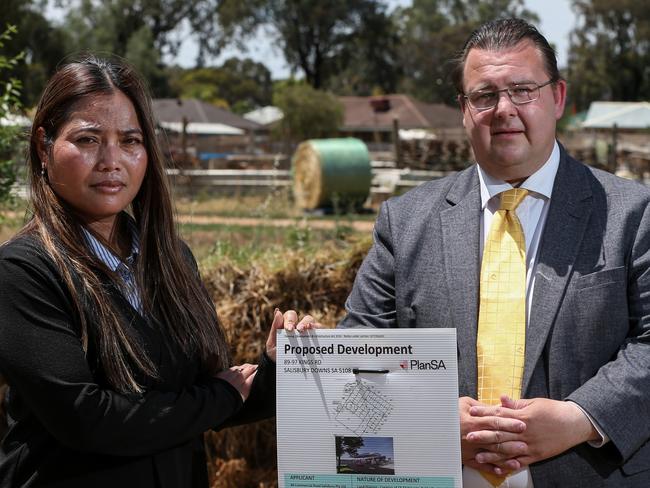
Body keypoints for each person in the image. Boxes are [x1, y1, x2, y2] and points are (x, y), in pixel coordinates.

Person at [338, 18, 650, 487]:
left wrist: (579, 417)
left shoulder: (632, 213)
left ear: (558, 97)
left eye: (523, 90)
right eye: (484, 96)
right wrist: (432, 423)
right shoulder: (404, 223)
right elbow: (359, 353)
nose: (504, 109)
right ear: (464, 110)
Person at [0, 55, 315, 488]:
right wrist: (221, 394)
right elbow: (87, 420)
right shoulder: (23, 272)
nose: (112, 161)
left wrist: (280, 367)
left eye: (130, 141)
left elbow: (197, 400)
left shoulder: (173, 261)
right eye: (88, 140)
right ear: (43, 147)